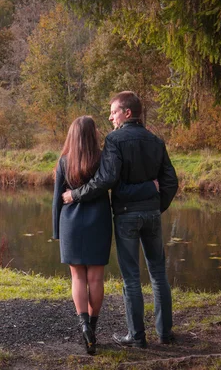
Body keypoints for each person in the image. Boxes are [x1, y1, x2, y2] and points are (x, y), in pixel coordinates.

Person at [62, 92, 179, 348]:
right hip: (150, 214)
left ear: (127, 113)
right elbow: (170, 181)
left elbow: (106, 180)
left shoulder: (114, 140)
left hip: (126, 215)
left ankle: (137, 337)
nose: (110, 116)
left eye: (113, 111)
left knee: (131, 277)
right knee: (159, 274)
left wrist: (75, 194)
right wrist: (155, 205)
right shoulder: (156, 141)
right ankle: (165, 334)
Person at [53, 115, 158, 355]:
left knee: (77, 278)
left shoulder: (64, 162)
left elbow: (56, 199)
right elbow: (114, 185)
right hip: (98, 222)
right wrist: (150, 186)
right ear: (93, 135)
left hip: (70, 222)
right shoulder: (103, 159)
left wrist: (56, 231)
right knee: (96, 278)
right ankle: (93, 326)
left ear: (72, 135)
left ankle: (83, 327)